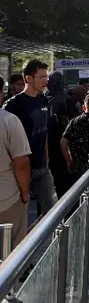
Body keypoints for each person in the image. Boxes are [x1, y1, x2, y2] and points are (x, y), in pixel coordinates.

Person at [2, 59, 58, 215]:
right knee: (18, 214)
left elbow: (44, 131)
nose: (46, 81)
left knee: (53, 212)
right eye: (41, 77)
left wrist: (46, 160)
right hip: (19, 168)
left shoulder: (44, 100)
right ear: (28, 78)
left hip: (42, 167)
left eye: (46, 77)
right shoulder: (13, 105)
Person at [0, 75, 32, 252]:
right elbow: (21, 162)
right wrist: (25, 194)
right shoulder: (9, 121)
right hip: (8, 198)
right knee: (12, 253)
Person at [45, 72, 82, 197]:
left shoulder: (43, 100)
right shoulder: (69, 101)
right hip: (66, 147)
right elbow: (78, 124)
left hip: (49, 147)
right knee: (66, 185)